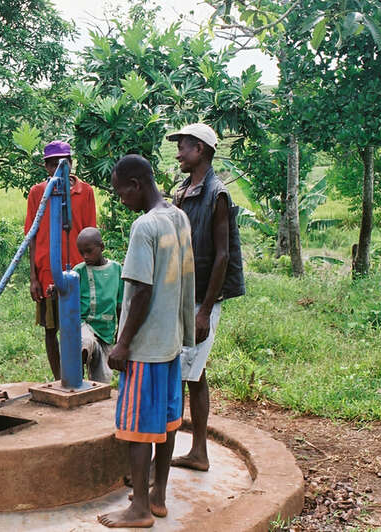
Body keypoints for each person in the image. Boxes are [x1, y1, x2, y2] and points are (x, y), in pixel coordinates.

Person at [98, 155, 195, 528]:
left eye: (121, 191)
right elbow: (188, 278)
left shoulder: (145, 226)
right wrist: (186, 329)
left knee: (137, 429)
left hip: (145, 348)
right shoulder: (178, 216)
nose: (120, 198)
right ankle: (158, 496)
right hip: (170, 342)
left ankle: (138, 509)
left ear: (136, 185)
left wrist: (122, 345)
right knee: (168, 423)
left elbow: (139, 290)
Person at [167, 124, 245, 472]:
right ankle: (194, 449)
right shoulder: (184, 191)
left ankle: (197, 451)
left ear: (201, 149)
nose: (179, 153)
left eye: (183, 147)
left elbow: (222, 256)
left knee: (191, 373)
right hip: (185, 295)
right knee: (190, 373)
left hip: (202, 300)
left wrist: (205, 311)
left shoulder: (217, 194)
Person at [24, 140, 97, 380]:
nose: (59, 168)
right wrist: (33, 277)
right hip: (47, 273)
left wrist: (92, 270)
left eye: (63, 163)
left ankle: (77, 376)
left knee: (78, 327)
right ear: (46, 167)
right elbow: (31, 236)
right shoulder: (37, 193)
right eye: (53, 164)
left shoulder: (84, 192)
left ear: (71, 163)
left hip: (78, 273)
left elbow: (90, 233)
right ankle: (59, 379)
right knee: (51, 328)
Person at [72, 227, 122, 383]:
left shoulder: (116, 269)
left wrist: (120, 332)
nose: (85, 257)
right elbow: (66, 291)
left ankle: (93, 395)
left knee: (103, 380)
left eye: (89, 251)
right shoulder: (78, 271)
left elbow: (120, 305)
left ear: (102, 247)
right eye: (81, 253)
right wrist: (56, 289)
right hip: (84, 324)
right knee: (84, 344)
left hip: (106, 331)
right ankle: (76, 379)